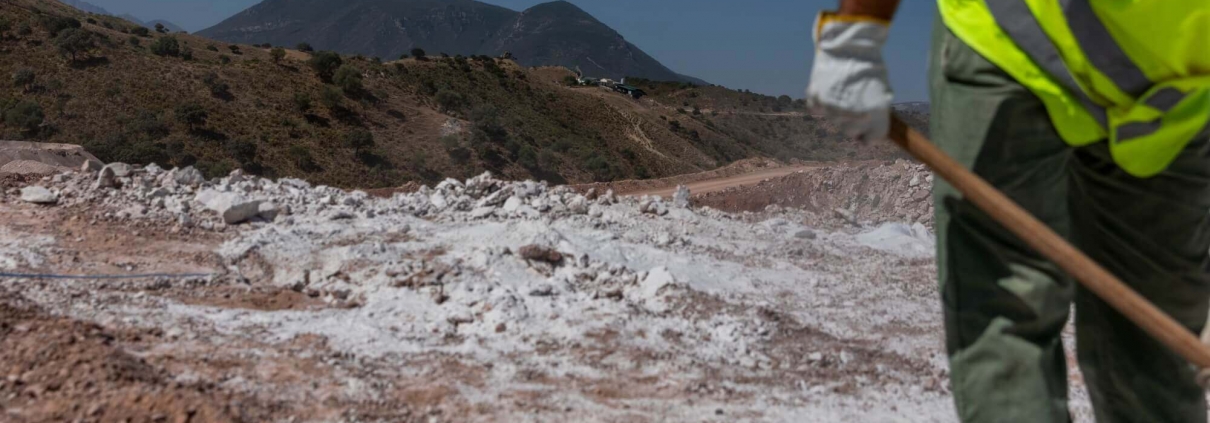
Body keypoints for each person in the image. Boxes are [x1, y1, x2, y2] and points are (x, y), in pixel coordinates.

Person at [806, 1, 1210, 422]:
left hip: (1174, 92)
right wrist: (857, 28)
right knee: (1005, 318)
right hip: (1012, 39)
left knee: (1157, 346)